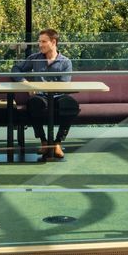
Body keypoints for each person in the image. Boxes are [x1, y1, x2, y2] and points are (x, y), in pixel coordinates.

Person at [13, 28, 78, 161]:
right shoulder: (34, 58)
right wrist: (26, 83)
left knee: (71, 105)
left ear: (53, 42)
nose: (40, 45)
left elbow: (64, 85)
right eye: (39, 41)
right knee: (33, 103)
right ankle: (44, 141)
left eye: (43, 41)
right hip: (41, 97)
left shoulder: (65, 62)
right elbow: (15, 69)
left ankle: (57, 142)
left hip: (58, 96)